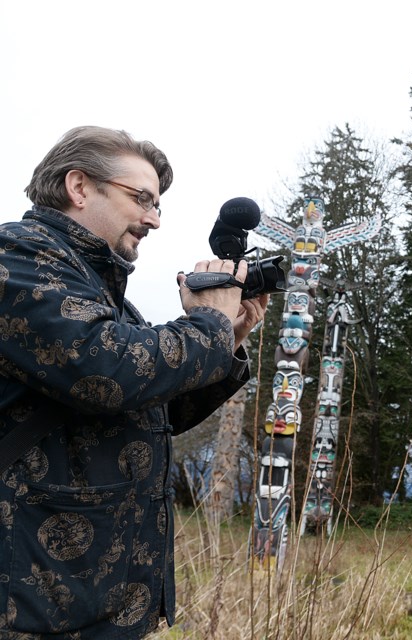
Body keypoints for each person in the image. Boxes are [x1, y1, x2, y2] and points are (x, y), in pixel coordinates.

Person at [0, 126, 268, 638]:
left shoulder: (106, 295)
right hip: (29, 599)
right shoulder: (18, 258)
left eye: (158, 204)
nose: (155, 219)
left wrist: (226, 341)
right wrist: (205, 327)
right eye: (140, 198)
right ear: (79, 187)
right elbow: (105, 373)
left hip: (94, 596)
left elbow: (152, 411)